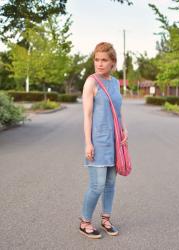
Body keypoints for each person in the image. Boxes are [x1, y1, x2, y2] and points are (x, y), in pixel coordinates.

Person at [80, 42, 128, 239]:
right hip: (98, 140)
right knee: (96, 185)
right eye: (97, 59)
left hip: (115, 140)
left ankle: (106, 219)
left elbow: (117, 110)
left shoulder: (115, 83)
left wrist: (124, 129)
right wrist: (88, 142)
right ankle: (85, 222)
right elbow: (87, 115)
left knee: (110, 184)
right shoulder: (91, 82)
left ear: (113, 63)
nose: (99, 64)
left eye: (104, 60)